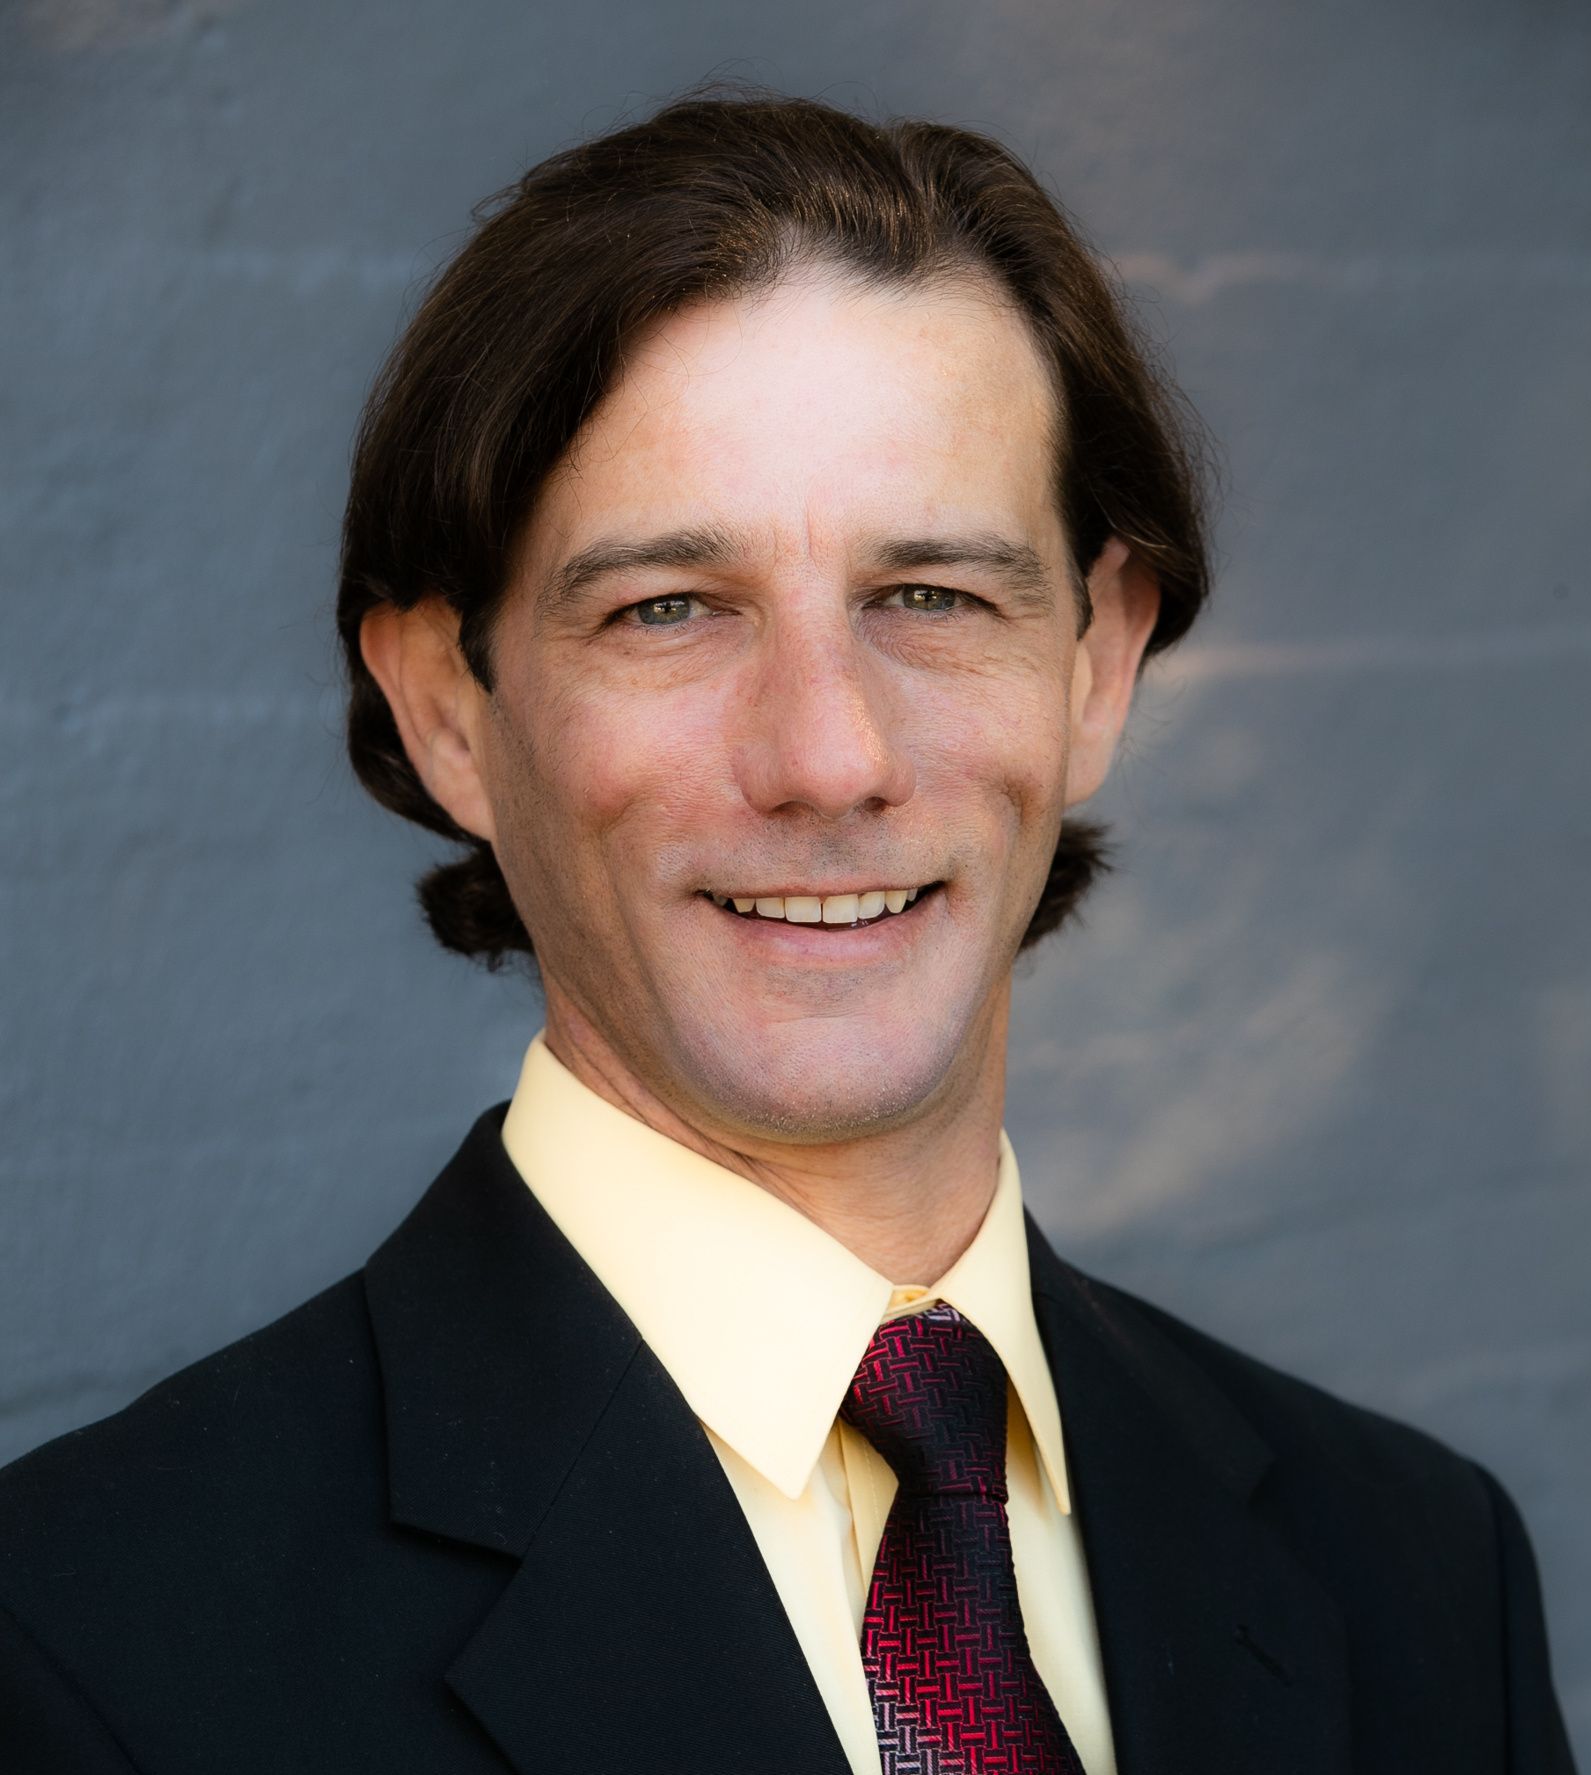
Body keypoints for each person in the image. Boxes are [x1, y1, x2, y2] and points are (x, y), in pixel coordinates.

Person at [0, 87, 1575, 1775]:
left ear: (1098, 662)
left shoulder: (1417, 1572)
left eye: (933, 597)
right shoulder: (82, 1652)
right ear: (448, 705)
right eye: (670, 609)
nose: (830, 756)